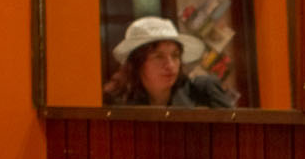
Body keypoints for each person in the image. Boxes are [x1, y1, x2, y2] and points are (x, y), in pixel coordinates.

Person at [102, 16, 238, 108]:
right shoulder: (119, 103)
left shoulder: (203, 91)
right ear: (137, 64)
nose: (170, 65)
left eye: (175, 55)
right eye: (159, 57)